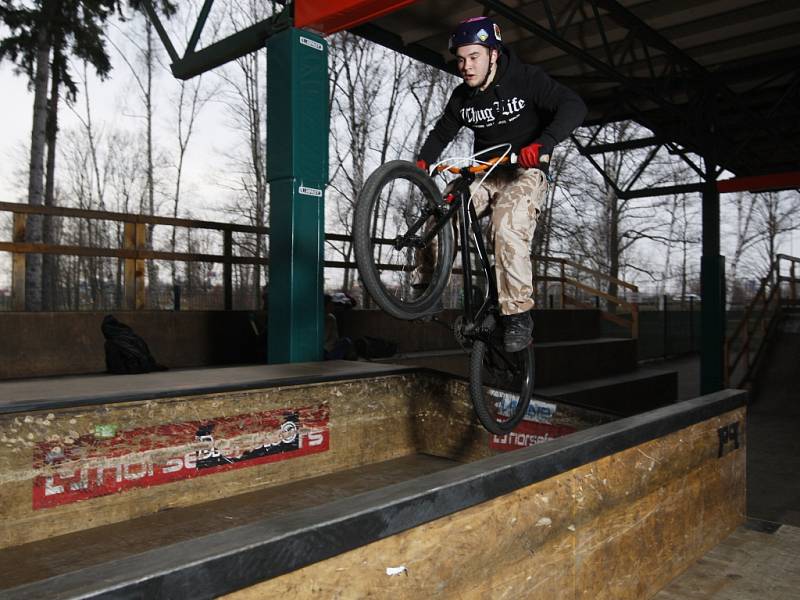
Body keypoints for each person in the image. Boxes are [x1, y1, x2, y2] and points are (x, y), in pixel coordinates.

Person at [415, 16, 587, 353]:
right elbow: (442, 132)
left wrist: (543, 144)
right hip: (485, 173)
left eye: (474, 57)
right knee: (439, 215)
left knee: (506, 226)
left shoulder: (526, 79)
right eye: (461, 59)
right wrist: (422, 162)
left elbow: (574, 105)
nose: (465, 66)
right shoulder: (462, 98)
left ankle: (518, 314)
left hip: (525, 172)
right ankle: (428, 290)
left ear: (493, 54)